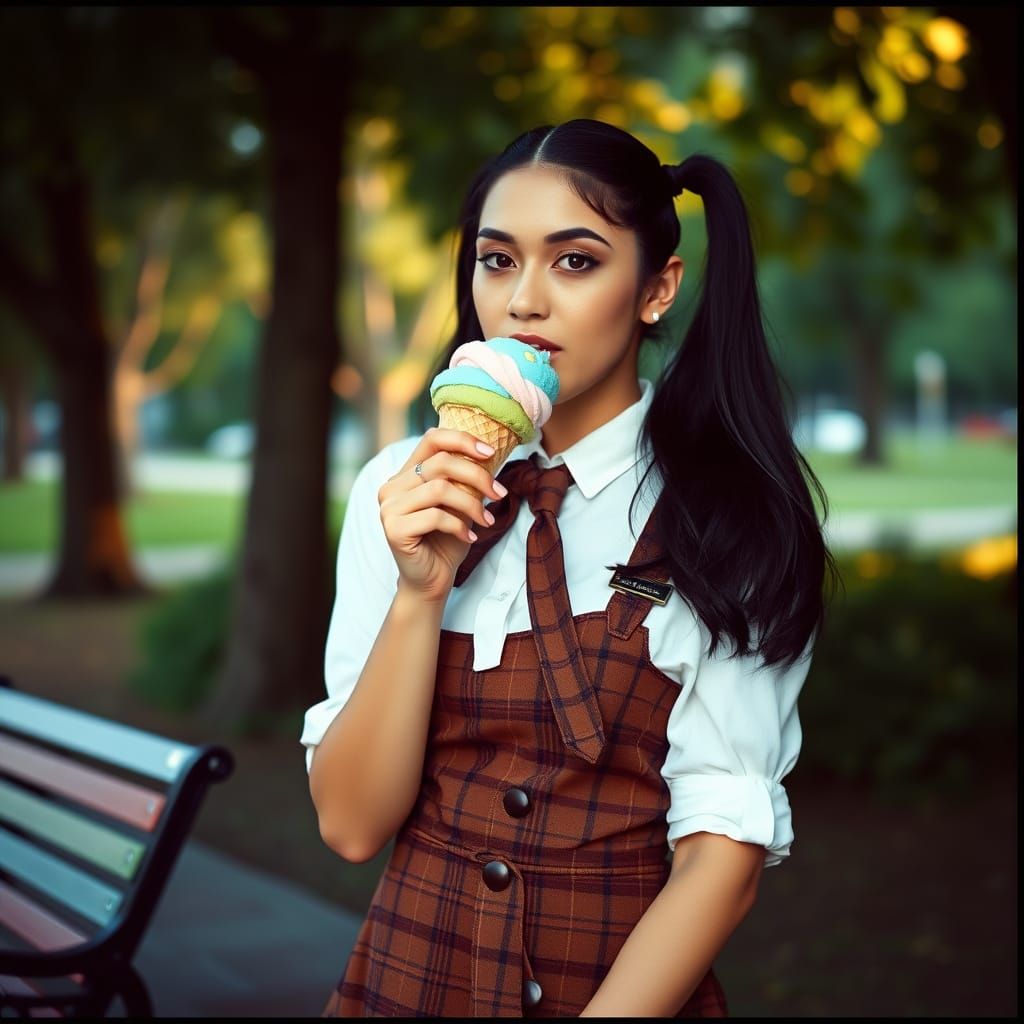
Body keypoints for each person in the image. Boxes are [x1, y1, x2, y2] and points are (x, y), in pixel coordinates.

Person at [301, 118, 837, 1017]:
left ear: (657, 287)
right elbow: (352, 826)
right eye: (497, 261)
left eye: (576, 261)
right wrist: (418, 595)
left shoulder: (734, 518)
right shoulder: (399, 488)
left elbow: (722, 857)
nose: (523, 302)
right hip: (404, 981)